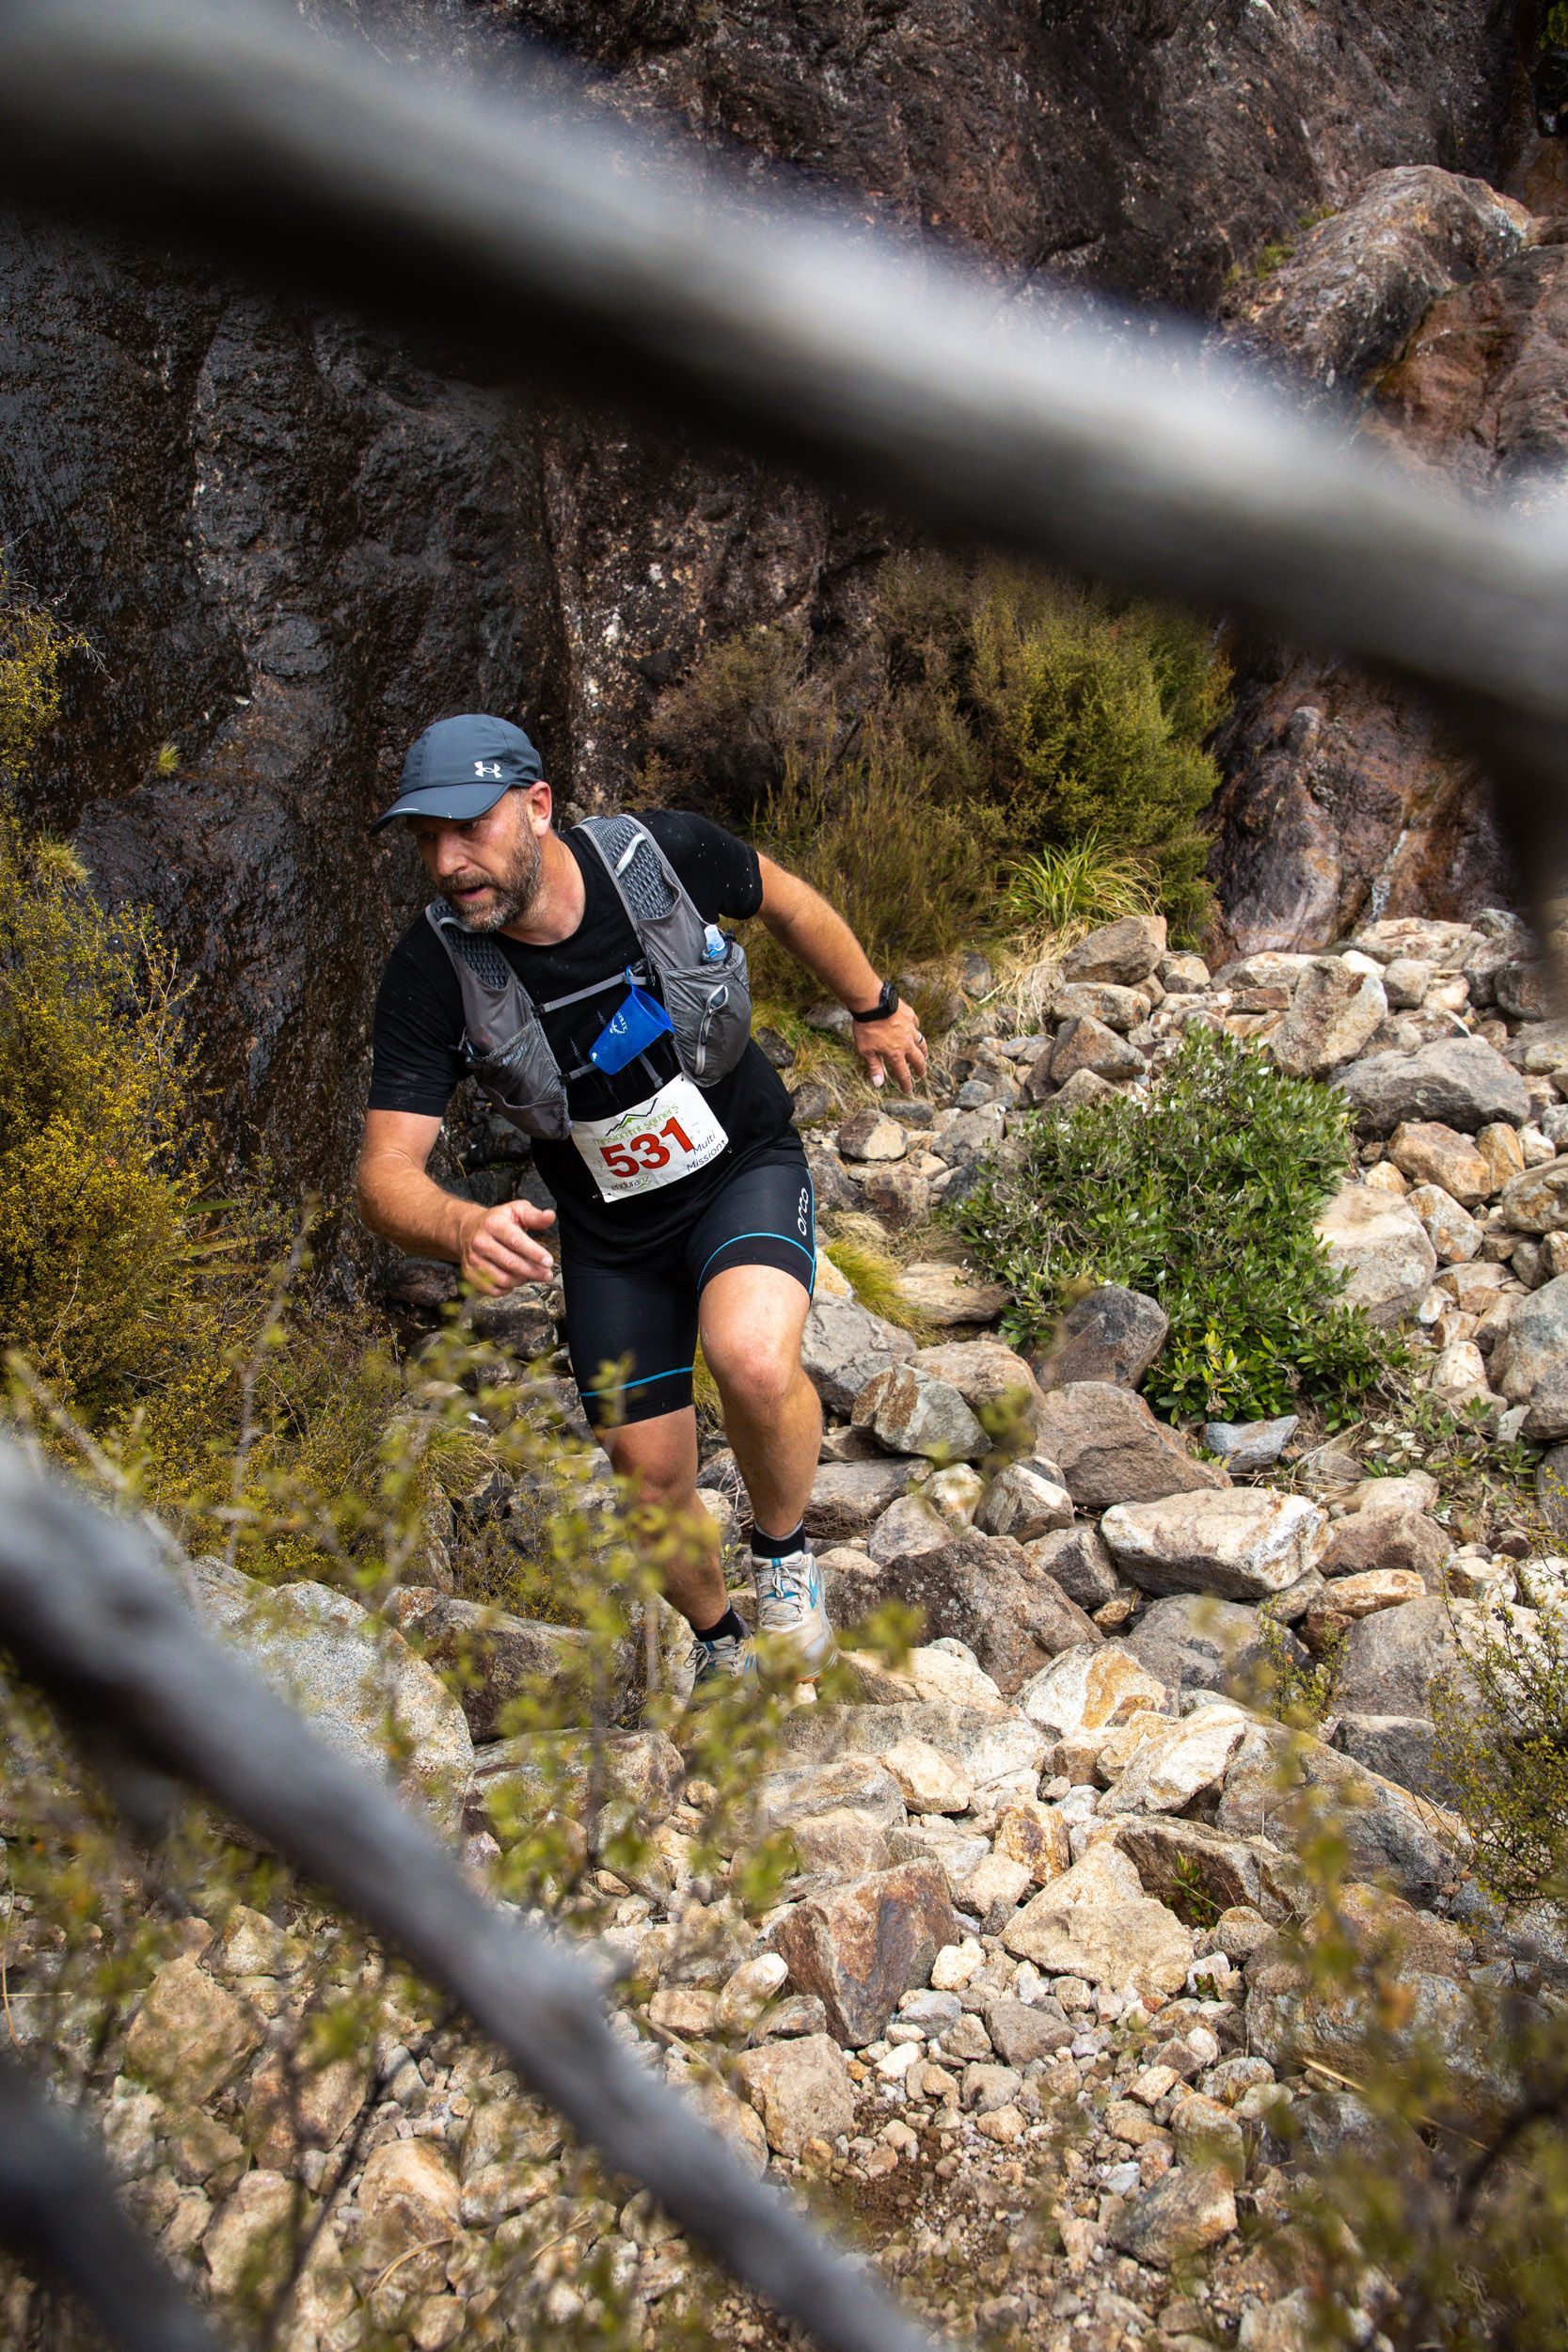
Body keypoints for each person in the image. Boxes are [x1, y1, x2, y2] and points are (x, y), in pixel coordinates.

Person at [356, 712, 927, 1682]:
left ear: (536, 806)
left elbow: (785, 902)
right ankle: (719, 1646)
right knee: (648, 1483)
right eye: (426, 839)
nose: (449, 861)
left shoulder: (654, 856)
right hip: (611, 1238)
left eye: (470, 828)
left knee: (748, 1359)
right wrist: (460, 1223)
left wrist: (873, 1005)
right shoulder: (431, 972)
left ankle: (785, 1560)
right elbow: (384, 1172)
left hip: (741, 1167)